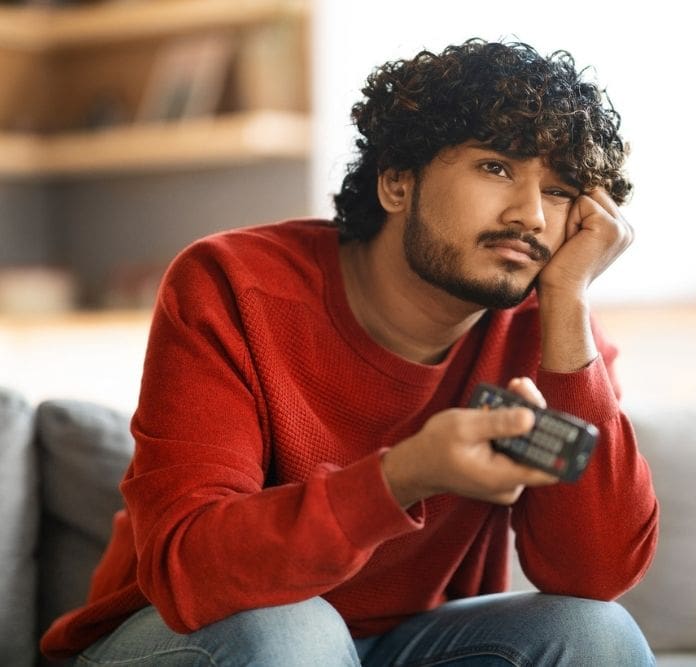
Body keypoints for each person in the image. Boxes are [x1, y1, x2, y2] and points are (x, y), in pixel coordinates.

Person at [41, 38, 660, 666]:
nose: (530, 215)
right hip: (197, 635)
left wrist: (568, 303)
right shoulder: (232, 284)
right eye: (496, 167)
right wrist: (402, 478)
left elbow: (597, 575)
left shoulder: (551, 322)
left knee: (594, 634)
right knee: (293, 632)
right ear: (396, 182)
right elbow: (190, 571)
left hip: (400, 642)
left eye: (559, 192)